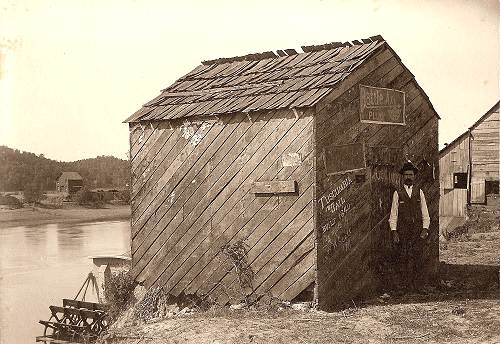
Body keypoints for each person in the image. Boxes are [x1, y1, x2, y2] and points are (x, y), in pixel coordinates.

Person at [388, 160, 430, 291]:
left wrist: (425, 229)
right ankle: (404, 287)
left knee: (418, 257)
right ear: (403, 177)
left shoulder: (419, 192)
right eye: (406, 175)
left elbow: (425, 212)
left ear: (414, 176)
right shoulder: (398, 193)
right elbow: (393, 214)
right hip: (403, 231)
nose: (408, 177)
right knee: (403, 257)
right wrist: (394, 231)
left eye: (410, 174)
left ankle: (418, 286)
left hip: (417, 230)